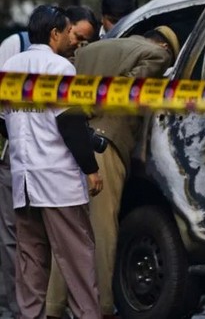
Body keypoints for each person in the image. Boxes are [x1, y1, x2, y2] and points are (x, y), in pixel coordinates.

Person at [45, 26, 180, 319]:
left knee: (69, 230)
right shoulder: (158, 54)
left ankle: (54, 307)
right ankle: (103, 306)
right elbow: (126, 86)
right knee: (103, 229)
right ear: (165, 46)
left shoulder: (91, 50)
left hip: (75, 146)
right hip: (104, 145)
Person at [0, 5, 103, 319]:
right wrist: (91, 168)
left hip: (24, 180)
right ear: (54, 33)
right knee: (78, 258)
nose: (72, 38)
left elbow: (2, 121)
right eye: (68, 31)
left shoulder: (10, 68)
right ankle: (88, 315)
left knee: (30, 260)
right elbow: (70, 125)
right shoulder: (59, 68)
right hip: (59, 181)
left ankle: (30, 316)